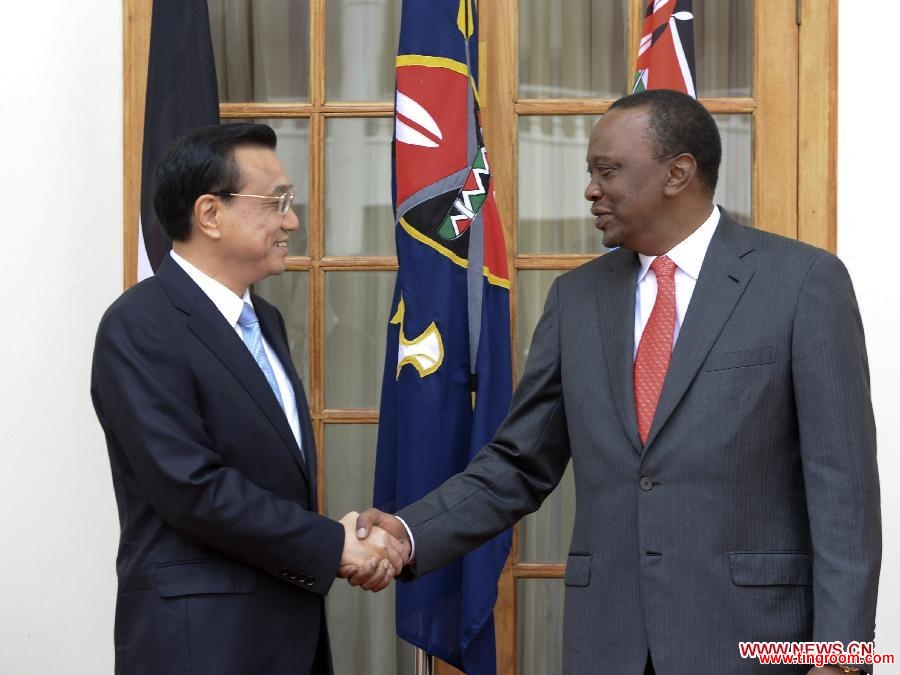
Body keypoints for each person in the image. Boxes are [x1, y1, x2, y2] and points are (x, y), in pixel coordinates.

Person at [354, 90, 881, 674]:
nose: (590, 190)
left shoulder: (802, 282)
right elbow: (518, 462)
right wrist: (407, 533)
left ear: (678, 173)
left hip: (752, 643)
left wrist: (842, 656)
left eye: (608, 171)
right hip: (610, 644)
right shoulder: (576, 299)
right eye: (591, 172)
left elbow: (844, 493)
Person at [91, 123, 405, 675]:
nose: (292, 220)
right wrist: (333, 543)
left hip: (286, 631)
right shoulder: (139, 326)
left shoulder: (267, 321)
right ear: (210, 214)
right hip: (203, 644)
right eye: (277, 201)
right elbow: (192, 489)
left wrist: (338, 542)